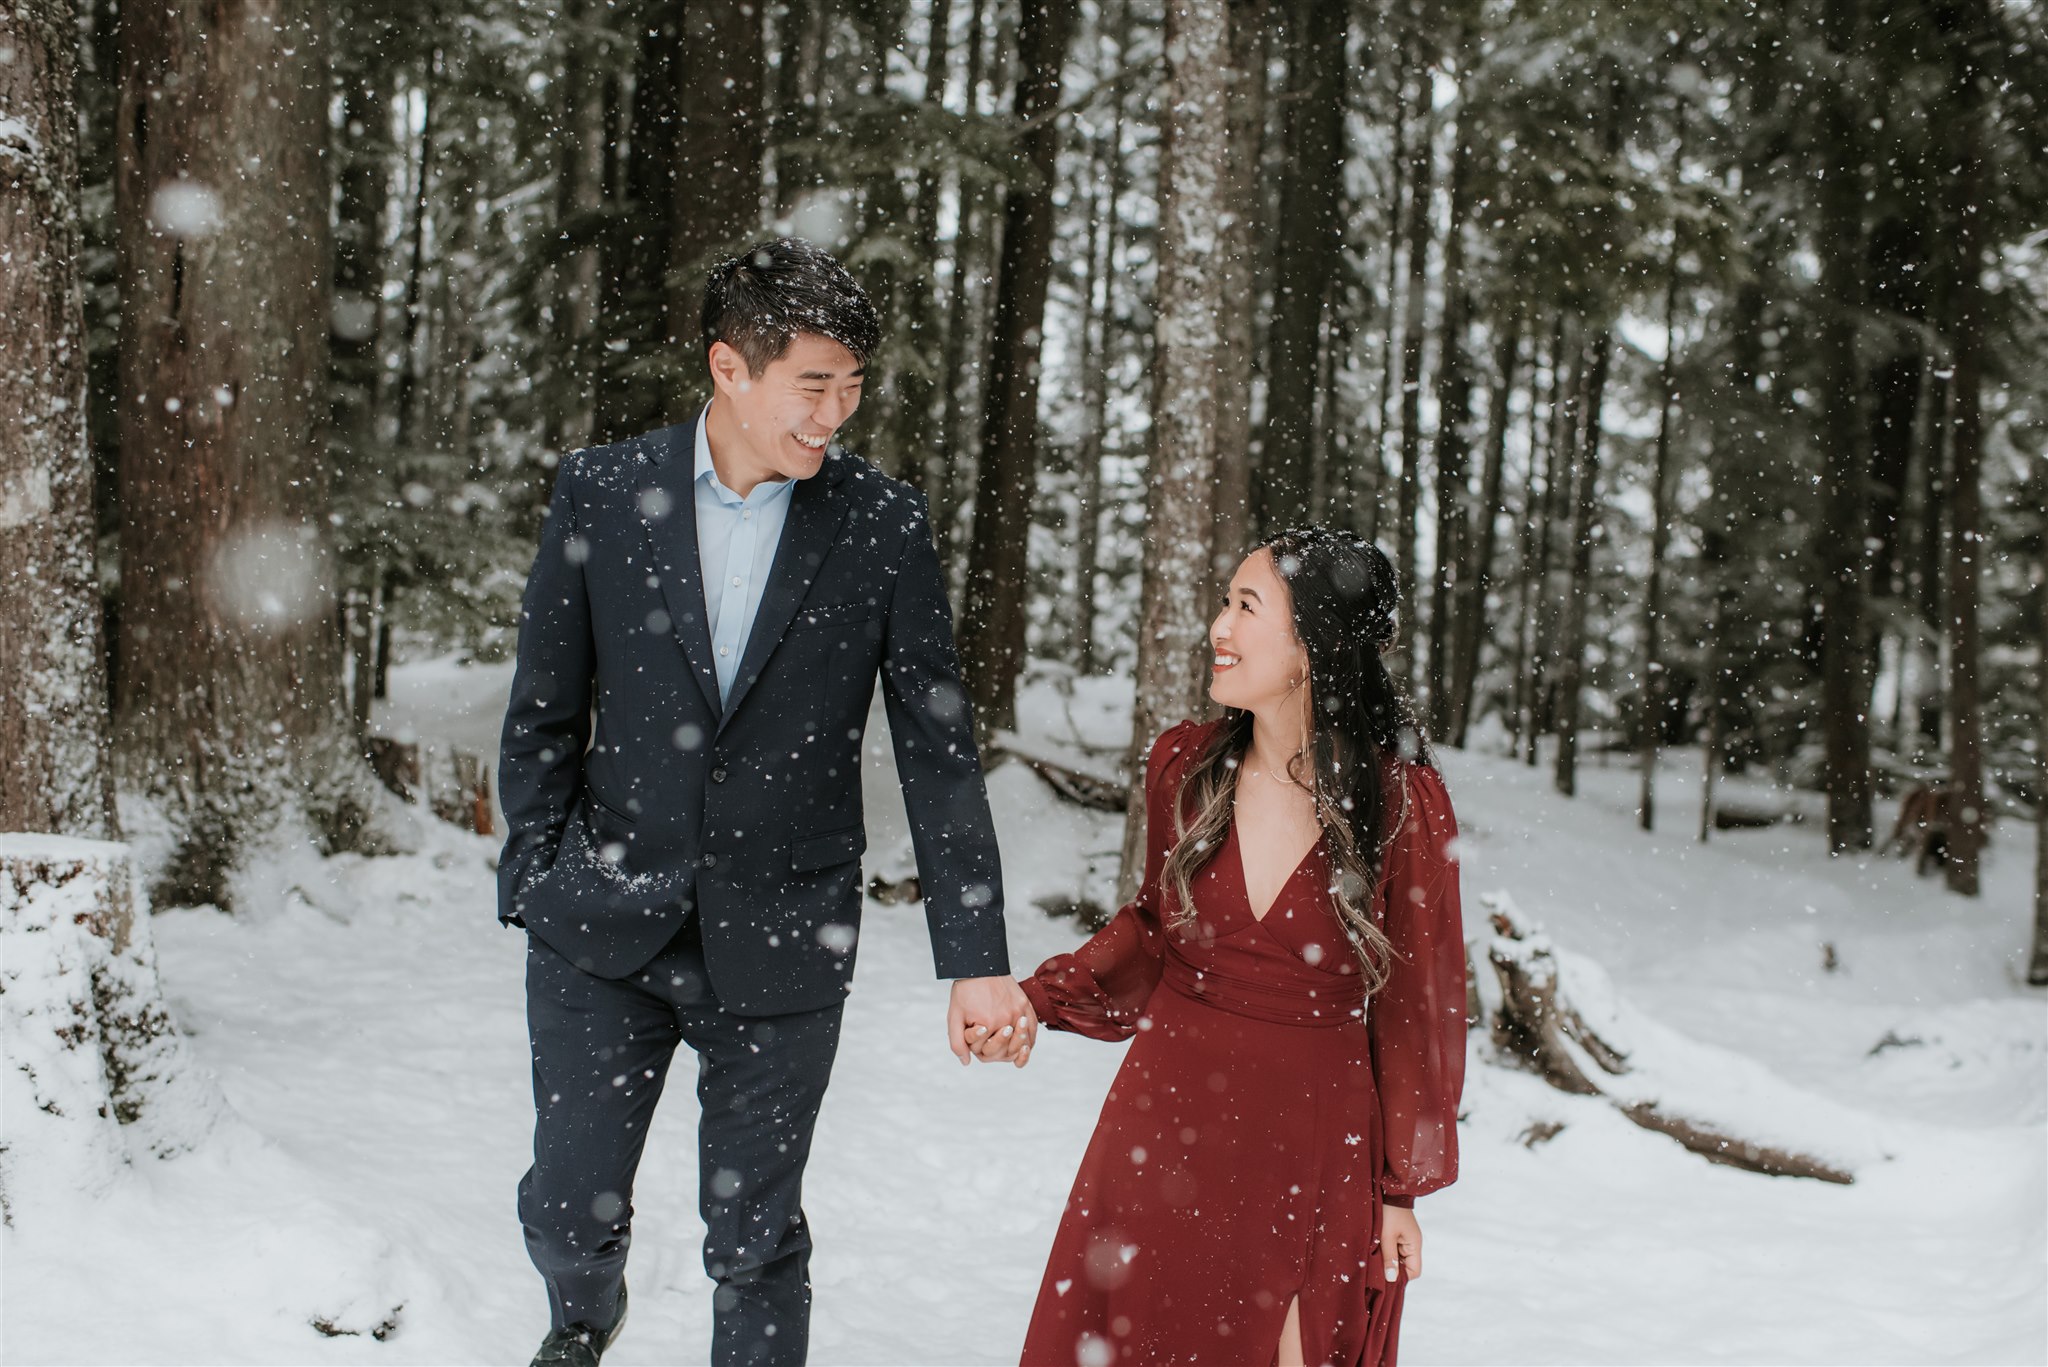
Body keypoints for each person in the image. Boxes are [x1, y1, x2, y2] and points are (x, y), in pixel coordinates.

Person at [497, 238, 1034, 1367]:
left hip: (785, 940)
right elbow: (543, 707)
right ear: (728, 368)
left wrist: (973, 953)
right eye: (812, 383)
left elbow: (937, 751)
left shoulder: (882, 523)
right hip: (602, 925)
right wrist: (536, 881)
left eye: (851, 386)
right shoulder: (603, 489)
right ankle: (580, 1318)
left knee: (753, 1240)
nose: (833, 413)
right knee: (567, 1207)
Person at [994, 528, 1467, 1366]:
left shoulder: (1399, 802)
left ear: (1313, 643)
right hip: (1165, 1110)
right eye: (1224, 601)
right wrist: (1037, 998)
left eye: (1246, 606)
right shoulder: (1186, 766)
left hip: (1311, 1132)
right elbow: (1150, 930)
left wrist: (1401, 1191)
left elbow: (1415, 1003)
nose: (1219, 625)